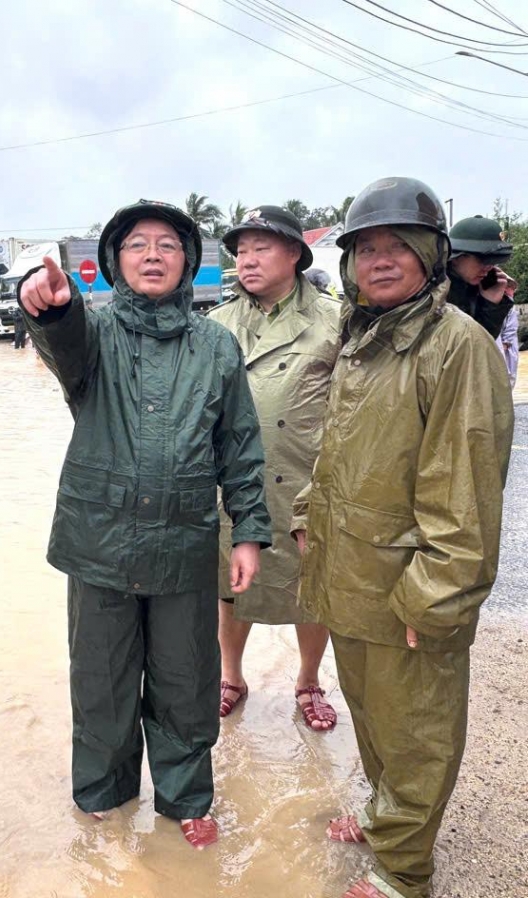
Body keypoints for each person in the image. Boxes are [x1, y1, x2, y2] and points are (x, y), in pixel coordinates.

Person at [19, 199, 271, 849]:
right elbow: (61, 337)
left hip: (184, 540)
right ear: (113, 263)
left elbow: (239, 444)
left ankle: (186, 797)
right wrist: (49, 304)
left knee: (187, 680)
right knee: (100, 679)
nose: (152, 254)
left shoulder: (216, 343)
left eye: (167, 243)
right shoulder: (94, 335)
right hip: (98, 542)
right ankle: (104, 793)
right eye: (137, 244)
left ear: (188, 260)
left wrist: (248, 530)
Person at [291, 177, 514, 898]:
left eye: (398, 247)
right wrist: (307, 515)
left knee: (415, 733)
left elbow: (466, 490)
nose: (380, 261)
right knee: (374, 718)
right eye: (366, 249)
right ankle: (387, 816)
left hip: (409, 587)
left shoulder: (458, 348)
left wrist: (436, 598)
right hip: (352, 574)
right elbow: (341, 448)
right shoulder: (366, 338)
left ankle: (402, 871)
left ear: (431, 255)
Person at [210, 206, 342, 730]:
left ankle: (308, 679)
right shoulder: (216, 325)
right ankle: (230, 676)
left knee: (313, 591)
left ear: (295, 254)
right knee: (230, 589)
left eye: (261, 248)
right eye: (241, 250)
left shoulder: (336, 319)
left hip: (308, 481)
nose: (247, 259)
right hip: (235, 485)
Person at [446, 214, 516, 338]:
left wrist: (491, 304)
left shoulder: (477, 289)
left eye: (493, 261)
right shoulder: (433, 292)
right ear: (456, 257)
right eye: (482, 260)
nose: (488, 268)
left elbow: (481, 347)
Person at [497, 306, 519, 389]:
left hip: (507, 348)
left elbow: (511, 328)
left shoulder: (509, 308)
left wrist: (505, 344)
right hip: (500, 346)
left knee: (509, 376)